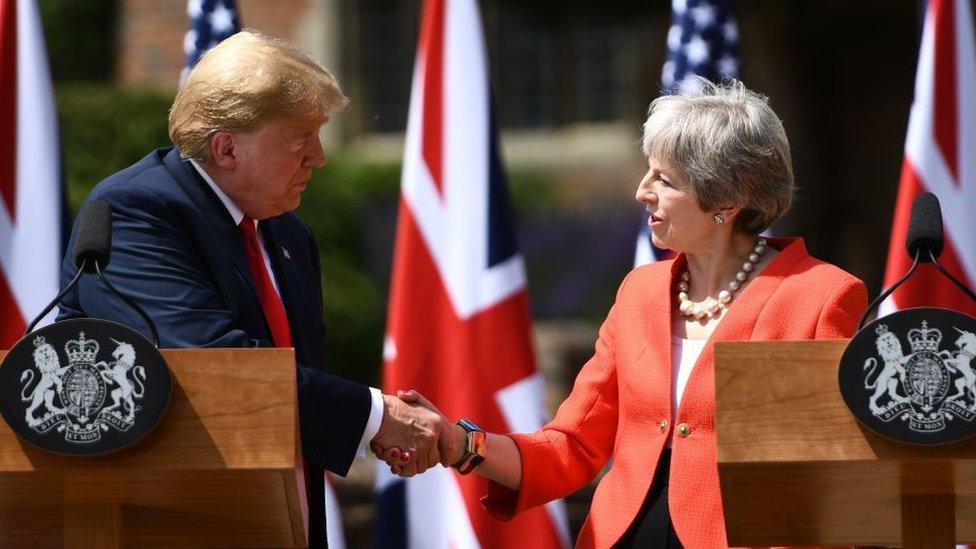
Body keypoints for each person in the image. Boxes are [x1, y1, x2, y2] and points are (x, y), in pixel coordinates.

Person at [378, 79, 869, 548]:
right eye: (647, 171)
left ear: (729, 199)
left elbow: (820, 479)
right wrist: (462, 444)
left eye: (665, 179)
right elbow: (571, 446)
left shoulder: (820, 296)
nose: (641, 191)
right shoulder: (641, 291)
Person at [58, 30, 437, 548]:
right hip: (173, 523)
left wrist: (373, 428)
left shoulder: (286, 231)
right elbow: (215, 366)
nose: (319, 158)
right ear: (227, 147)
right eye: (301, 139)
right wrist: (377, 417)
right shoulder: (137, 212)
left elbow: (293, 381)